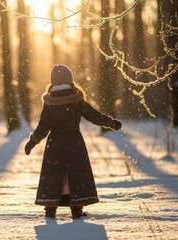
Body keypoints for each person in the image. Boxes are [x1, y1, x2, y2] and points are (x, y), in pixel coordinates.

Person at [25, 64, 122, 219]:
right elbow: (93, 115)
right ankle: (76, 208)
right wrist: (110, 123)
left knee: (54, 174)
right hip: (74, 142)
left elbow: (43, 126)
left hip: (55, 145)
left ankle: (50, 209)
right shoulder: (77, 100)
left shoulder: (49, 102)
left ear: (53, 82)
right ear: (70, 80)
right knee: (76, 174)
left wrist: (32, 141)